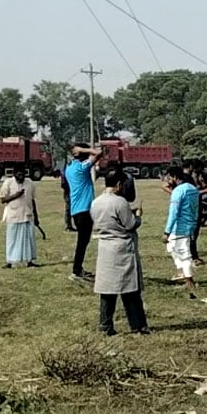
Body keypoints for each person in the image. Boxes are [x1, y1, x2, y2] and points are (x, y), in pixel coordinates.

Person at [92, 170, 148, 335]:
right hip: (122, 248)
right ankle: (138, 325)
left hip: (105, 248)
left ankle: (105, 325)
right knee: (130, 289)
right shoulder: (120, 202)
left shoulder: (96, 202)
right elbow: (130, 224)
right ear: (118, 185)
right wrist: (137, 216)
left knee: (107, 291)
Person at [66, 143, 103, 283]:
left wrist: (78, 151)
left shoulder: (69, 168)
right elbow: (98, 153)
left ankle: (78, 269)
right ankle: (76, 270)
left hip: (76, 210)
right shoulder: (81, 168)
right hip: (84, 210)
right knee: (82, 242)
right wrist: (86, 149)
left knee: (83, 241)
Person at [163, 166, 199, 299]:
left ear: (174, 177)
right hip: (189, 225)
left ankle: (189, 280)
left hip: (179, 227)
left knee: (184, 253)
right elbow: (196, 209)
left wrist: (166, 231)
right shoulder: (193, 189)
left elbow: (173, 213)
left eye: (168, 177)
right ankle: (181, 273)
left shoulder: (178, 191)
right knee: (171, 248)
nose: (167, 180)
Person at [0, 164, 39, 268]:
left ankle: (29, 261)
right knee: (12, 239)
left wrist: (36, 217)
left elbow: (33, 200)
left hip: (27, 215)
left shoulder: (30, 183)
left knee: (29, 239)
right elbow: (3, 199)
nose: (21, 177)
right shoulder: (8, 183)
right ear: (14, 174)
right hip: (14, 215)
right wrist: (15, 196)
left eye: (23, 175)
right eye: (19, 175)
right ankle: (10, 261)